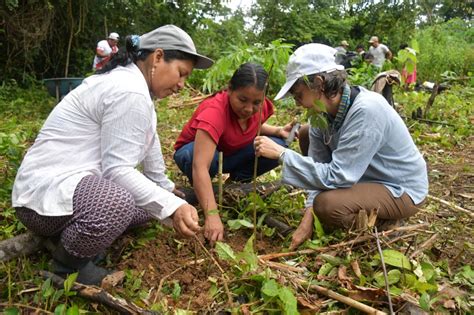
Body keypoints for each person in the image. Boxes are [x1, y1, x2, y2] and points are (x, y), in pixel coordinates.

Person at [12, 25, 214, 285]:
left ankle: (76, 232)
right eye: (181, 74)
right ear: (158, 57)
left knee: (148, 204)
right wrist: (173, 207)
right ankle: (67, 266)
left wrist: (168, 193)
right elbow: (117, 170)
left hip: (70, 192)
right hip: (40, 200)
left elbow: (152, 159)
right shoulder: (128, 90)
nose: (182, 85)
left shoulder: (138, 92)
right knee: (117, 202)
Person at [254, 43, 428, 249]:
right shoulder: (322, 115)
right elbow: (318, 167)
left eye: (298, 94)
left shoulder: (367, 110)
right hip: (362, 178)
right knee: (306, 132)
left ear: (319, 83)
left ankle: (384, 225)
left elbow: (338, 176)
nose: (297, 103)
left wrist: (283, 154)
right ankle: (358, 205)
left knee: (326, 206)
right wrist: (307, 219)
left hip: (399, 188)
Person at [174, 62, 294, 245]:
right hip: (200, 155)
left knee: (277, 146)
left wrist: (278, 131)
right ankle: (206, 193)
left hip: (230, 153)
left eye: (256, 102)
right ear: (230, 89)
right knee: (198, 158)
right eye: (242, 100)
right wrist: (212, 215)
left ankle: (234, 186)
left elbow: (253, 125)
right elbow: (200, 166)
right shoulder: (215, 112)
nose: (248, 109)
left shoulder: (261, 107)